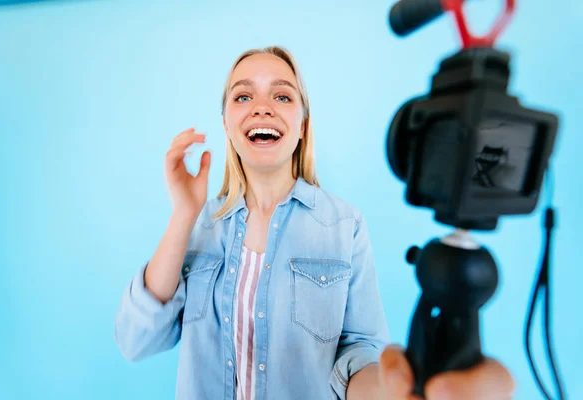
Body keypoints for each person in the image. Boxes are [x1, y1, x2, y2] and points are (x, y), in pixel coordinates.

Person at [114, 46, 515, 400]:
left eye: (282, 95)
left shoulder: (345, 224)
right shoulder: (198, 225)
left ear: (303, 125)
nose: (262, 106)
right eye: (243, 95)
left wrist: (390, 391)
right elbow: (136, 340)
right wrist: (184, 213)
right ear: (226, 125)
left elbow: (361, 353)